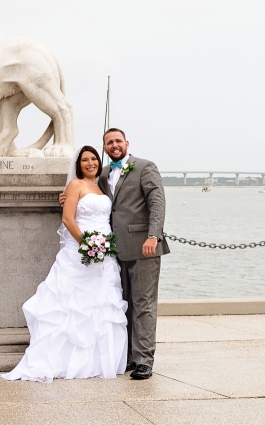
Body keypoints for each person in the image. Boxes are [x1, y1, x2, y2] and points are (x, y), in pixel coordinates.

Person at [2, 145, 128, 383]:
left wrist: (101, 248)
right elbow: (68, 219)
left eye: (93, 159)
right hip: (80, 252)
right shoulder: (75, 185)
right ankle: (61, 361)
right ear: (78, 165)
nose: (90, 163)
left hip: (106, 254)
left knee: (99, 306)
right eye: (84, 160)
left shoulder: (102, 187)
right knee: (70, 307)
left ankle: (95, 362)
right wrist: (87, 245)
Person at [96, 128, 168, 380]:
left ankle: (144, 360)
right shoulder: (104, 174)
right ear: (104, 148)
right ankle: (126, 356)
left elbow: (157, 202)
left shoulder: (145, 167)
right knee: (122, 305)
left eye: (118, 141)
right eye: (109, 143)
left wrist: (153, 235)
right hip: (115, 251)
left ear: (126, 143)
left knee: (143, 304)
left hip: (143, 247)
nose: (114, 145)